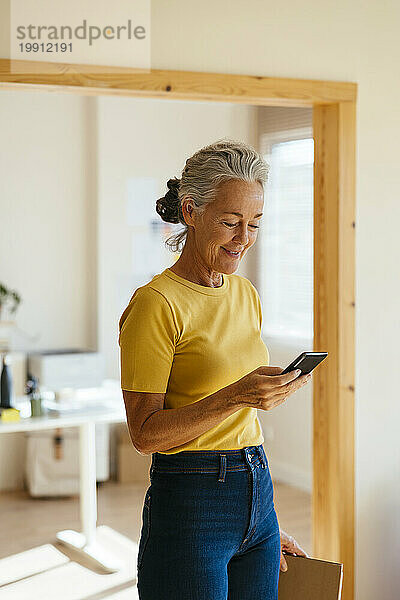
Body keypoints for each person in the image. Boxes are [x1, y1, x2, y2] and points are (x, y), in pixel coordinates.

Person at [119, 139, 309, 600]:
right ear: (190, 211)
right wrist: (237, 395)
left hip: (255, 490)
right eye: (230, 222)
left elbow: (247, 427)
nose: (243, 238)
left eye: (255, 224)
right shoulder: (156, 304)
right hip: (191, 500)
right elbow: (146, 435)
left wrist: (261, 519)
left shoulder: (245, 293)